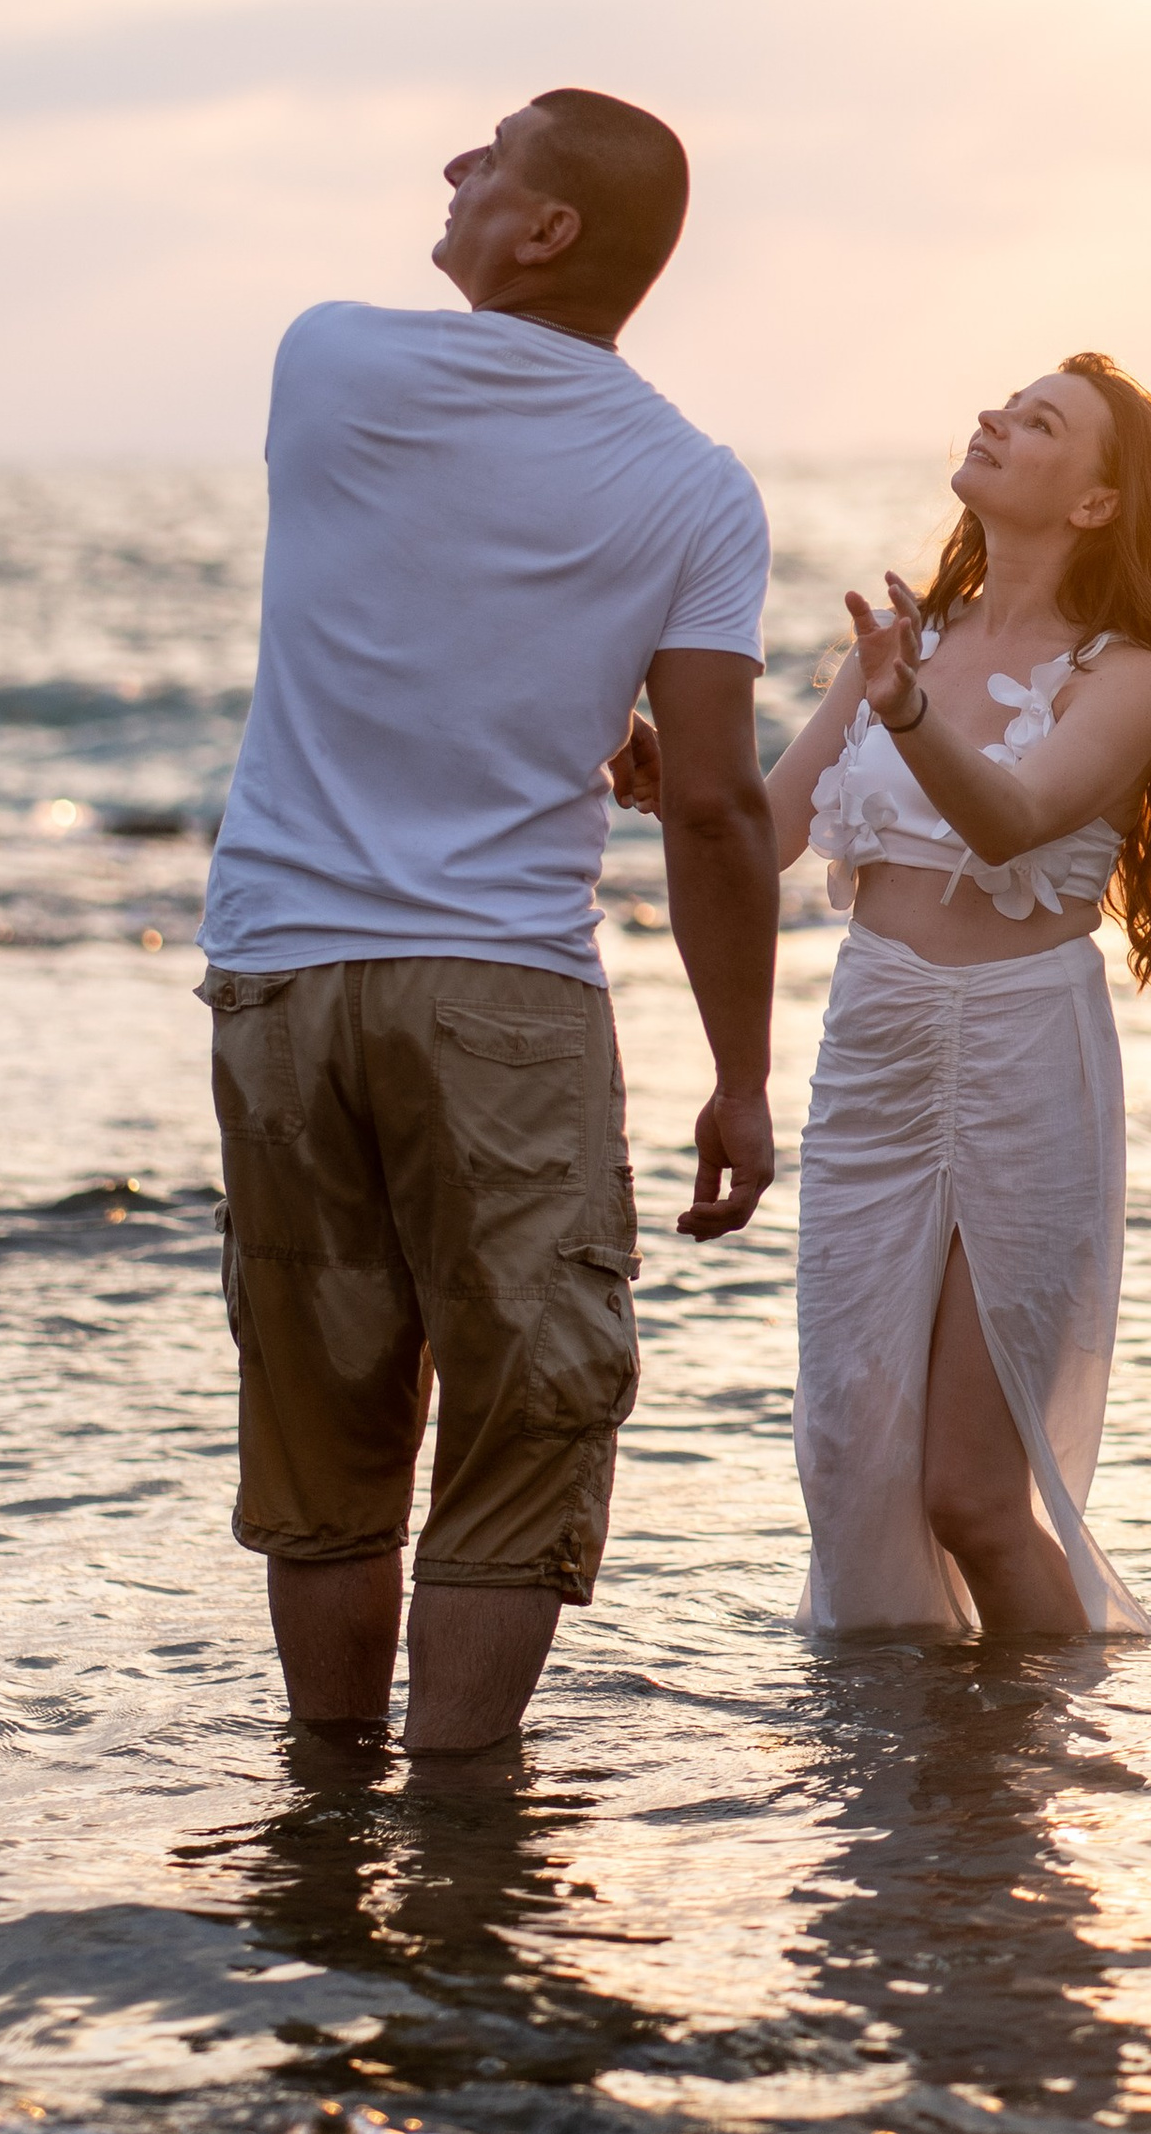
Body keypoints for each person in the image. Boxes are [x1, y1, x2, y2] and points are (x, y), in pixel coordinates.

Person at [197, 91, 779, 1756]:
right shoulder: (690, 483)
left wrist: (579, 712)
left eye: (492, 157)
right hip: (501, 995)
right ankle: (464, 1843)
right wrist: (739, 1078)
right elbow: (724, 807)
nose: (453, 170)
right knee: (526, 1426)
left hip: (284, 981)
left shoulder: (328, 362)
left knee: (324, 1433)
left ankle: (326, 1801)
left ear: (546, 231)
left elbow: (416, 596)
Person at [763, 353, 1151, 1640]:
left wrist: (911, 713)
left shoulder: (1126, 673)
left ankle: (1036, 1774)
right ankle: (921, 1779)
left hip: (1020, 1053)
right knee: (848, 1457)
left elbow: (1016, 819)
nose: (994, 417)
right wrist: (662, 772)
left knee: (973, 1493)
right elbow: (759, 833)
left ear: (1095, 502)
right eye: (1008, 401)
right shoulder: (900, 640)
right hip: (871, 1052)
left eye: (1039, 422)